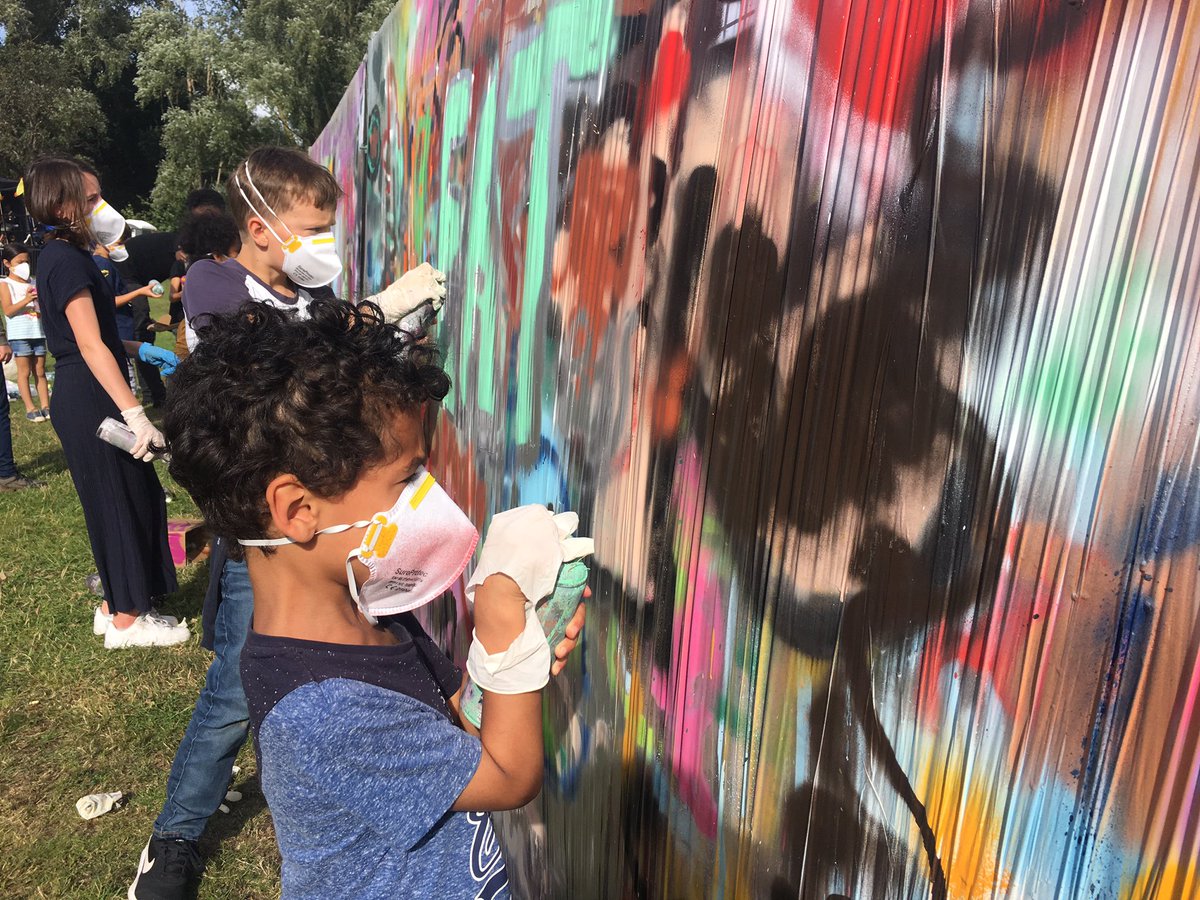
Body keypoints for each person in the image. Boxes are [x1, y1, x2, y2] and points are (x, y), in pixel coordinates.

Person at [162, 299, 587, 897]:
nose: (428, 495)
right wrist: (502, 637)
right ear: (298, 510)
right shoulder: (323, 710)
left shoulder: (370, 611)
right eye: (407, 478)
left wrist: (508, 661)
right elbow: (509, 778)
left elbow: (453, 727)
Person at [127, 145, 447, 899]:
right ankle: (175, 836)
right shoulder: (213, 285)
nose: (322, 247)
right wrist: (368, 319)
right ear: (260, 226)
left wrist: (383, 335)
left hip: (326, 529)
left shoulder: (306, 296)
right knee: (238, 688)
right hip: (269, 537)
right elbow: (266, 378)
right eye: (310, 230)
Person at [23, 155, 187, 648]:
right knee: (118, 496)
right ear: (63, 204)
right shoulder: (67, 260)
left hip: (86, 380)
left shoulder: (65, 257)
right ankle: (127, 620)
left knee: (127, 492)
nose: (100, 207)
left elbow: (90, 339)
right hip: (89, 388)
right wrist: (136, 415)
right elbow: (88, 344)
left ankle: (115, 601)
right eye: (90, 199)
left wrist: (139, 348)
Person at [119, 189, 226, 406]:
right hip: (128, 274)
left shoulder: (215, 242)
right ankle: (156, 394)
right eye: (201, 218)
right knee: (141, 334)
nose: (206, 224)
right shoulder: (185, 244)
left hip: (147, 280)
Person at [93, 241, 159, 390]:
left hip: (122, 326)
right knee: (122, 377)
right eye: (119, 242)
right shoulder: (102, 264)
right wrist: (140, 292)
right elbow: (108, 301)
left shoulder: (106, 263)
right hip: (117, 327)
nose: (123, 246)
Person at [0, 243, 50, 421]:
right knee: (24, 372)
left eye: (26, 261)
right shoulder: (5, 284)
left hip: (38, 331)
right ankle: (30, 408)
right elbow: (8, 310)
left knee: (40, 370)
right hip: (19, 333)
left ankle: (46, 406)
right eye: (19, 261)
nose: (24, 265)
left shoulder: (34, 282)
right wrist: (27, 299)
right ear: (7, 263)